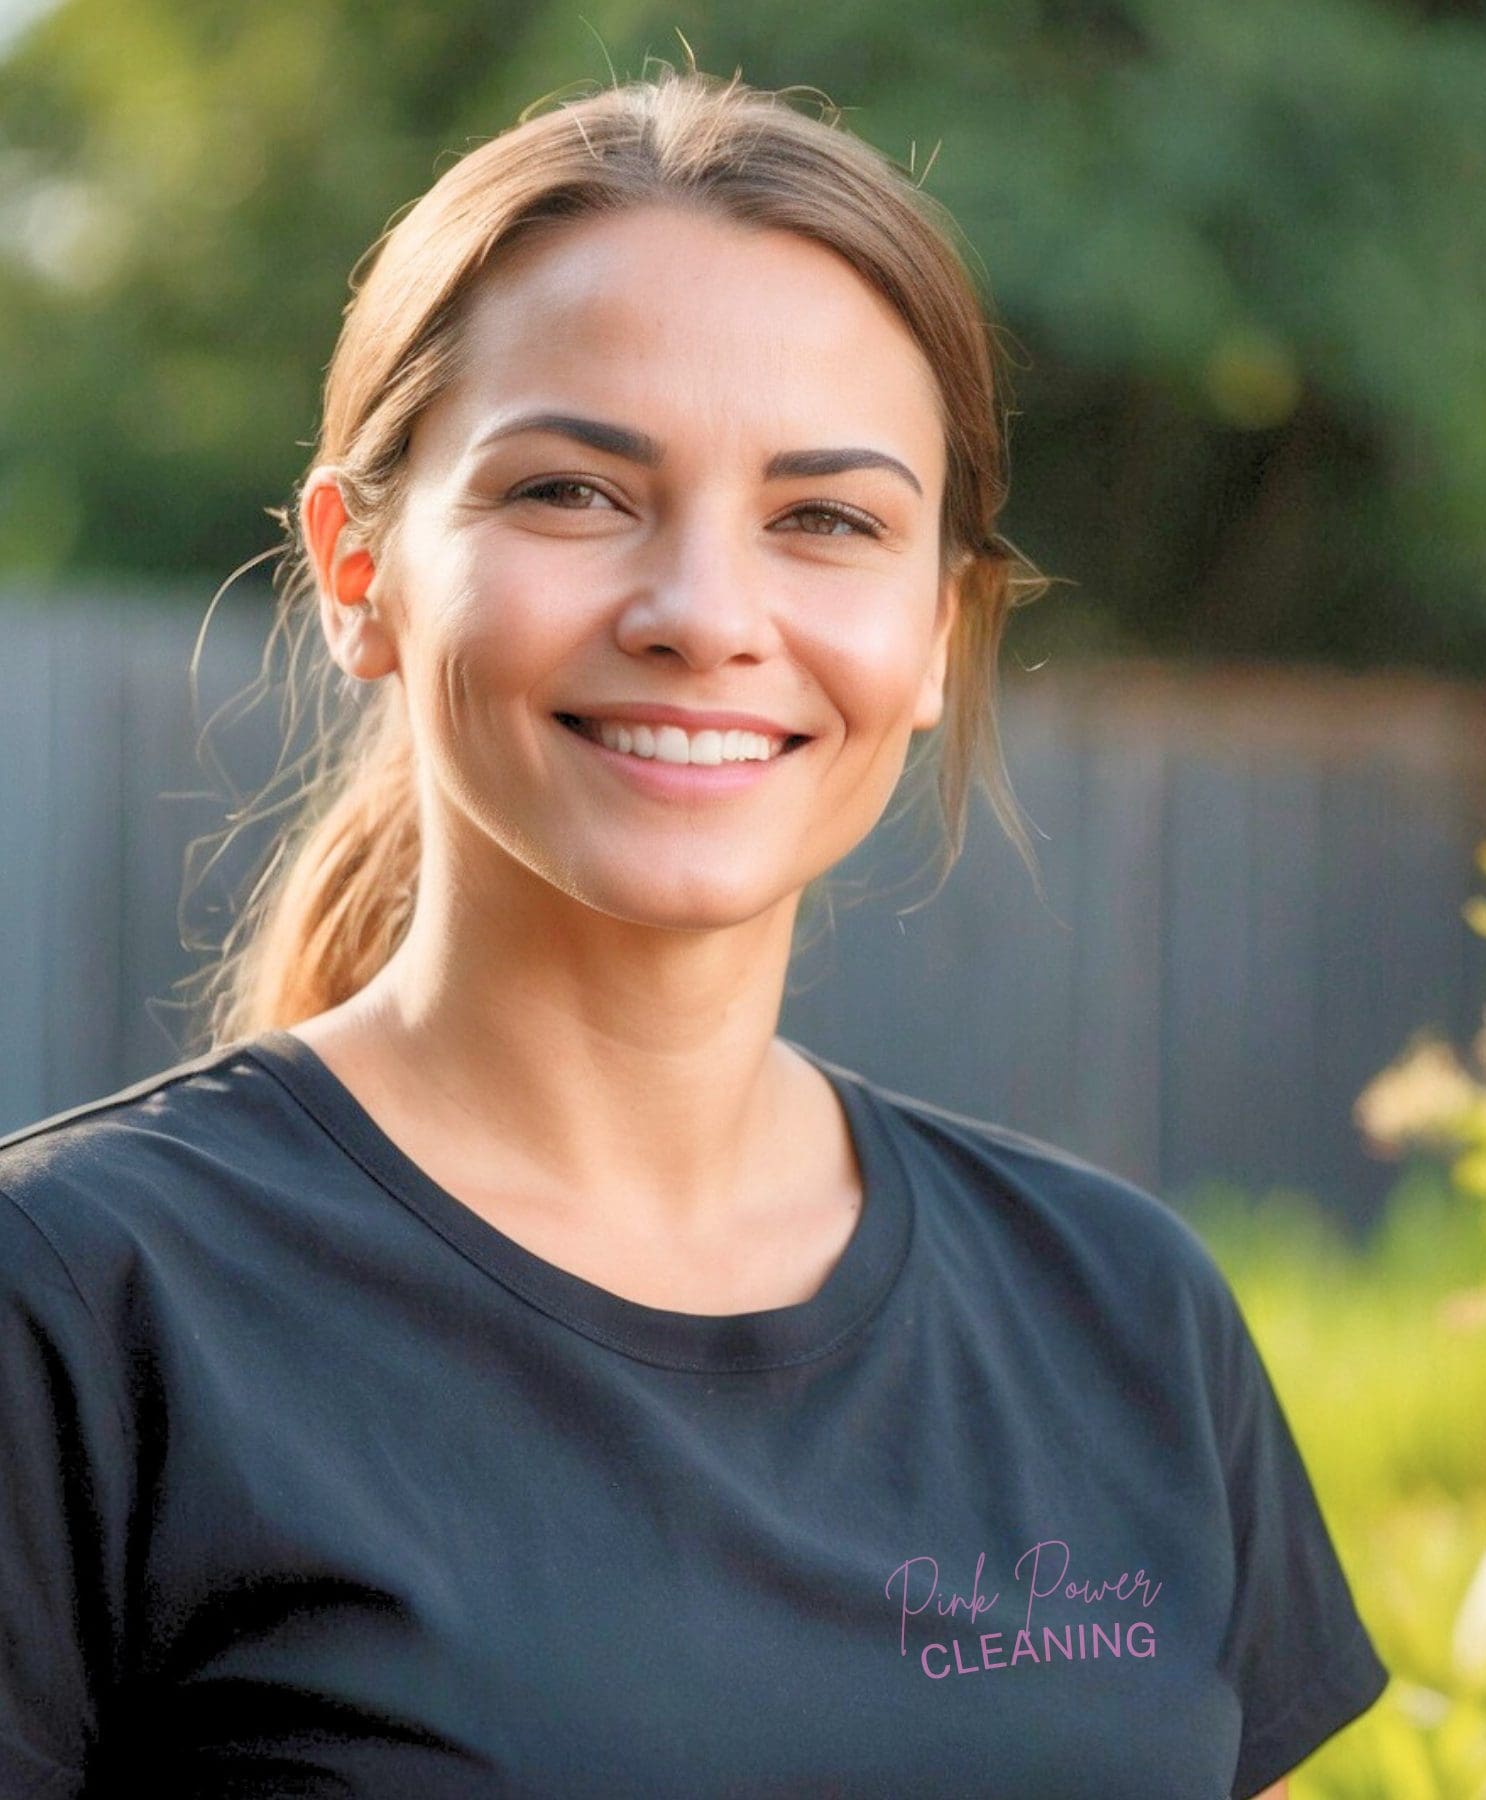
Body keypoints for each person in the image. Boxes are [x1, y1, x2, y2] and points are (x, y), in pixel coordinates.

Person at [0, 64, 1389, 1798]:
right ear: (359, 575)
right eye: (576, 490)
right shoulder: (72, 1307)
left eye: (827, 519)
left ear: (944, 634)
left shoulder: (1126, 1321)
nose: (708, 617)